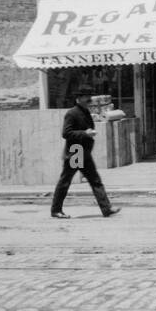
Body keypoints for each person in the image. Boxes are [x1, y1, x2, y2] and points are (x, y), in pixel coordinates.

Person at [50, 86, 119, 219]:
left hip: (84, 151)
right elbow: (66, 133)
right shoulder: (72, 113)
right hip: (76, 151)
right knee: (65, 181)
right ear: (79, 98)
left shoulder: (85, 111)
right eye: (86, 96)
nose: (89, 99)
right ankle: (56, 210)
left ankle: (107, 209)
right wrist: (85, 133)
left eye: (90, 96)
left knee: (95, 180)